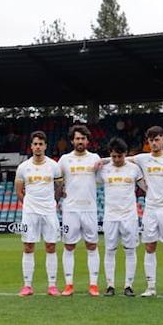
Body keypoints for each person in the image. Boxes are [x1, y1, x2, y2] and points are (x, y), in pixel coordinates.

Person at [129, 125, 163, 297]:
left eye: (157, 139)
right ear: (148, 142)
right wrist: (101, 161)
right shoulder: (143, 159)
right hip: (150, 210)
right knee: (150, 247)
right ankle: (151, 287)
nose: (154, 143)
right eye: (151, 140)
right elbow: (122, 158)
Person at [14, 130, 64, 296]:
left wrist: (54, 203)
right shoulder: (23, 167)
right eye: (35, 144)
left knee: (51, 246)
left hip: (49, 212)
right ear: (31, 146)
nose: (38, 147)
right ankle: (27, 285)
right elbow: (19, 191)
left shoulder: (53, 166)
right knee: (28, 246)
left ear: (45, 146)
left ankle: (52, 285)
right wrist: (29, 205)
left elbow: (59, 187)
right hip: (30, 213)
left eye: (41, 144)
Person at [96, 137, 146, 296]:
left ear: (125, 154)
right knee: (110, 250)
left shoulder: (134, 169)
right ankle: (110, 285)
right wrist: (101, 161)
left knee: (130, 250)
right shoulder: (104, 169)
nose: (117, 160)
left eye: (120, 156)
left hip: (129, 216)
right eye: (113, 156)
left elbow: (145, 187)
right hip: (110, 216)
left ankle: (128, 285)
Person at [58, 124, 102, 296]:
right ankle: (69, 284)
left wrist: (102, 163)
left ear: (87, 141)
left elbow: (101, 175)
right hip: (70, 210)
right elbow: (57, 180)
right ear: (72, 140)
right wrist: (58, 192)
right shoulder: (64, 159)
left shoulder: (95, 158)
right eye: (77, 138)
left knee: (92, 245)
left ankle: (93, 284)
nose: (80, 141)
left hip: (89, 208)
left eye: (83, 138)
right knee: (69, 246)